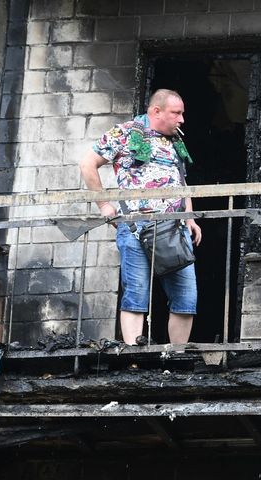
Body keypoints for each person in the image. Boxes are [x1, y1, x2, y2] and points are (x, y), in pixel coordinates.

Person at [78, 89, 202, 345]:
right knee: (135, 293)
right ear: (156, 111)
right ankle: (134, 355)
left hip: (175, 227)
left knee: (186, 295)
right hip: (135, 226)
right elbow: (87, 163)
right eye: (176, 113)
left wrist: (189, 217)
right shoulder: (124, 133)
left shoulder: (175, 140)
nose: (182, 120)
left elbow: (181, 179)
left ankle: (175, 355)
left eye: (183, 114)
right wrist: (104, 204)